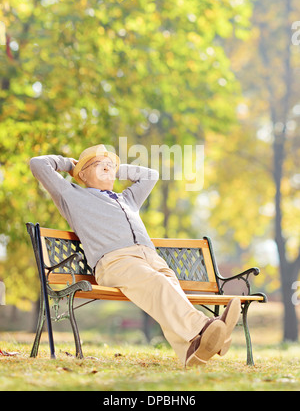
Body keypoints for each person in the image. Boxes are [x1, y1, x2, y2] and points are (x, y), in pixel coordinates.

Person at [30, 144, 240, 366]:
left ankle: (193, 350)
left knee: (169, 288)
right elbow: (38, 164)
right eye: (97, 164)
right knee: (158, 283)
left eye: (110, 164)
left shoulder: (127, 199)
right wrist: (70, 165)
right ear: (82, 173)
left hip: (151, 257)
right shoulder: (71, 195)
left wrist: (115, 168)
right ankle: (207, 327)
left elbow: (150, 176)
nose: (106, 167)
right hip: (114, 261)